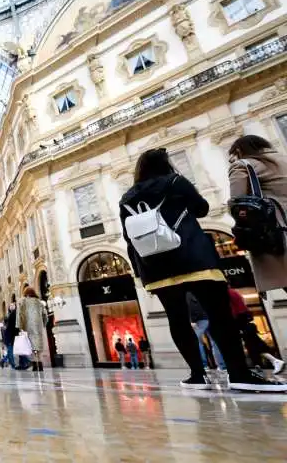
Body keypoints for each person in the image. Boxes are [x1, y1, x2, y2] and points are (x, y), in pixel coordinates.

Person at [120, 148, 285, 391]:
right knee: (219, 316)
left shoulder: (127, 197)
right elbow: (201, 209)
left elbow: (128, 236)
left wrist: (139, 271)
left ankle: (197, 375)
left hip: (155, 268)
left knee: (177, 320)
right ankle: (239, 373)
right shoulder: (175, 181)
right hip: (192, 257)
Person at [228, 135, 287, 294]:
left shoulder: (243, 165)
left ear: (239, 151)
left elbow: (237, 202)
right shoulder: (282, 158)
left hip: (277, 234)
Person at [229, 286, 284, 374]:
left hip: (240, 320)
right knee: (254, 344)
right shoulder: (234, 292)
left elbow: (233, 310)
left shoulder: (228, 293)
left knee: (253, 344)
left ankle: (270, 362)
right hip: (243, 320)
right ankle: (267, 362)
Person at [186, 292, 226, 370]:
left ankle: (204, 365)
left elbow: (192, 306)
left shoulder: (188, 293)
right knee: (214, 342)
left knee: (198, 343)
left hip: (200, 320)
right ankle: (222, 365)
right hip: (208, 317)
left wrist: (192, 320)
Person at [18, 287, 48, 372]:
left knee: (32, 347)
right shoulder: (40, 303)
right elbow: (45, 315)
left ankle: (35, 365)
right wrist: (44, 324)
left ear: (26, 294)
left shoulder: (23, 303)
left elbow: (21, 316)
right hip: (39, 327)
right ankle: (40, 364)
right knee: (38, 347)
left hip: (29, 328)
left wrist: (21, 328)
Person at [3, 303, 19, 369]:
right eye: (10, 306)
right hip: (9, 335)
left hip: (13, 335)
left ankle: (3, 361)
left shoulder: (15, 314)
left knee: (11, 350)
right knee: (10, 350)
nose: (12, 307)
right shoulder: (8, 315)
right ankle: (13, 364)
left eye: (13, 305)